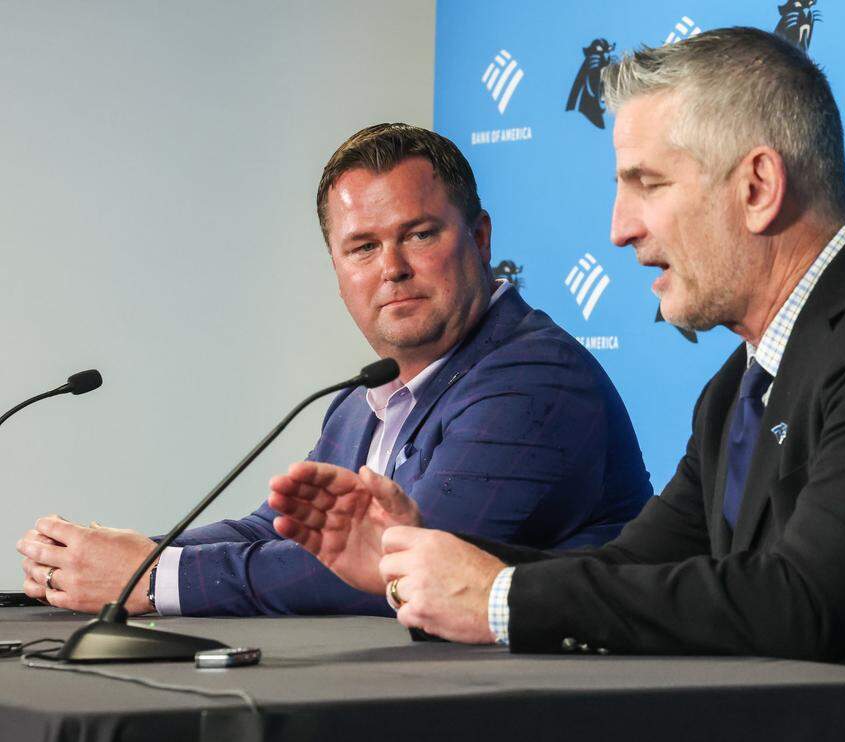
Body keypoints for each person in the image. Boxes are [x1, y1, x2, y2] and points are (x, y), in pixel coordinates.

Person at [266, 29, 845, 742]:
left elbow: (803, 603)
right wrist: (420, 562)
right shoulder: (737, 386)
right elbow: (625, 570)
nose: (619, 227)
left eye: (647, 183)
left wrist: (495, 597)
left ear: (757, 187)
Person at [16, 124, 651, 617]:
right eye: (363, 247)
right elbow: (279, 531)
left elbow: (391, 568)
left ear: (481, 240)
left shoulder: (534, 380)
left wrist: (151, 580)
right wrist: (129, 557)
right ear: (338, 271)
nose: (392, 268)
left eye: (420, 235)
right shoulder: (365, 396)